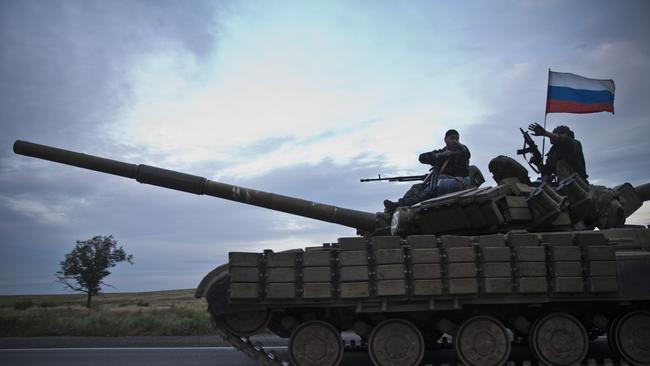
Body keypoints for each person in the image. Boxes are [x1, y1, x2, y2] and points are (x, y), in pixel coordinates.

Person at [384, 129, 475, 212]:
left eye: (457, 139)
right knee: (417, 187)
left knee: (433, 185)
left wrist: (454, 149)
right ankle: (400, 206)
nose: (455, 141)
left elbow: (466, 153)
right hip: (439, 180)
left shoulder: (461, 152)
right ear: (445, 140)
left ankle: (403, 205)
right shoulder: (440, 153)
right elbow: (422, 158)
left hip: (455, 181)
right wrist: (440, 155)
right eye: (452, 138)